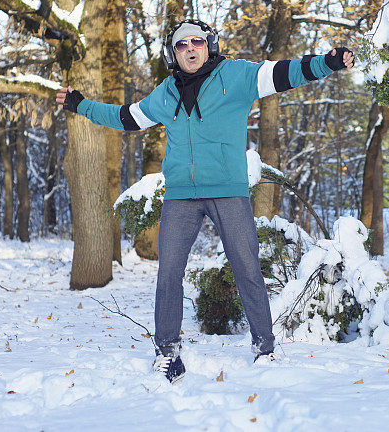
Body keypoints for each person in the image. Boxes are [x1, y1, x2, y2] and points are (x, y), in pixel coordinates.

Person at [56, 19, 354, 383]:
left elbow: (285, 73)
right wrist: (80, 104)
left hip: (228, 190)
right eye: (182, 45)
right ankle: (167, 352)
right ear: (173, 53)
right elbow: (126, 118)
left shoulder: (237, 77)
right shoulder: (165, 94)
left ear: (209, 45)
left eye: (197, 41)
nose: (190, 48)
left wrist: (328, 62)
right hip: (181, 195)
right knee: (168, 273)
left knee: (246, 267)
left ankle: (265, 347)